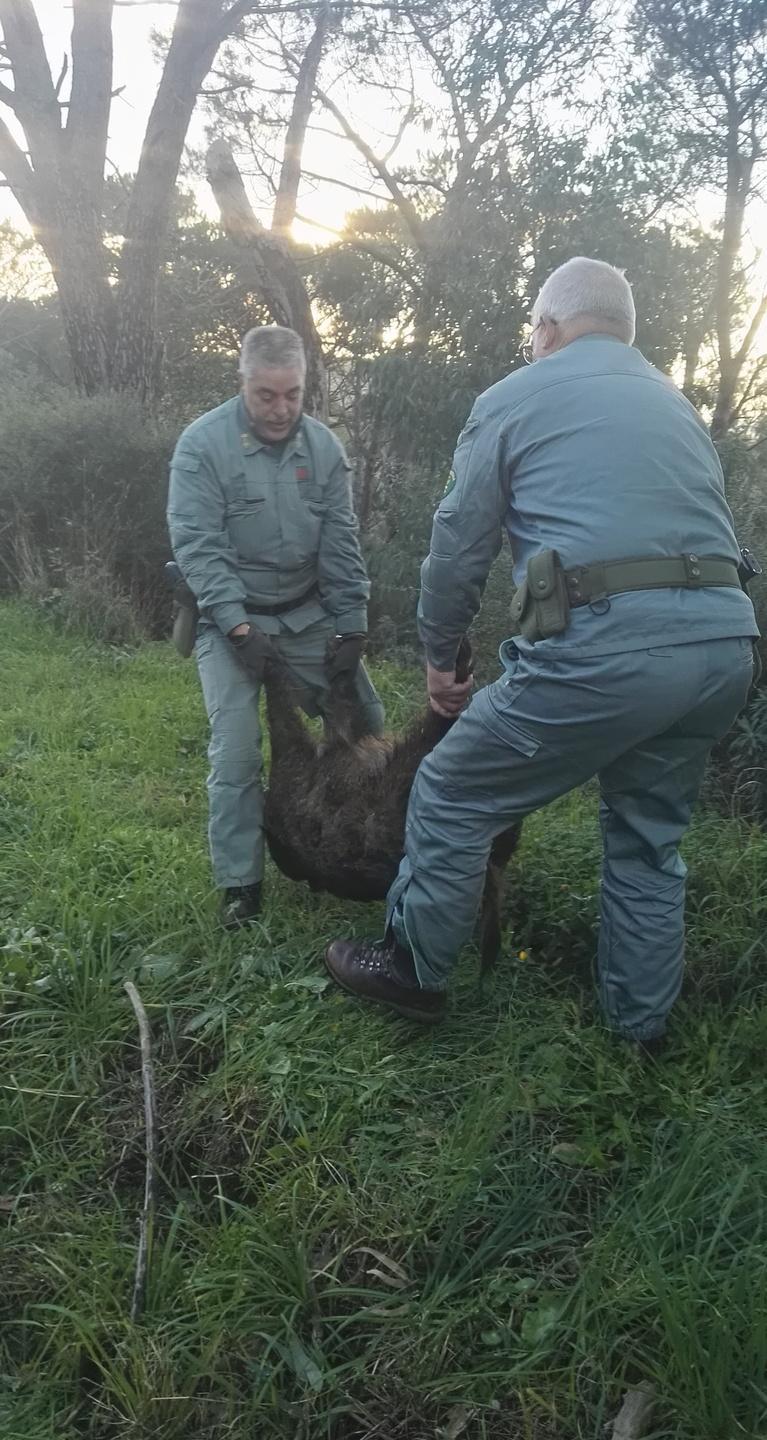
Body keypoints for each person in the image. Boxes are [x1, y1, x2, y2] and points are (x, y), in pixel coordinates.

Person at [325, 257, 759, 1046]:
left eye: (533, 332)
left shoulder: (516, 396)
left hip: (607, 652)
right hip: (723, 646)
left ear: (548, 328)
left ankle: (413, 970)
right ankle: (640, 1030)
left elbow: (458, 544)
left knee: (453, 792)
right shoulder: (676, 404)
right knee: (646, 840)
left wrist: (437, 650)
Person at [167, 325, 384, 928]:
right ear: (243, 384)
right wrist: (238, 629)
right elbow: (198, 546)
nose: (280, 409)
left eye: (292, 394)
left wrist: (352, 629)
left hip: (307, 613)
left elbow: (341, 543)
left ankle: (350, 843)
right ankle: (241, 884)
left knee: (368, 723)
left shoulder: (322, 450)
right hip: (226, 619)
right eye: (266, 395)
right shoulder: (202, 446)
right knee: (237, 752)